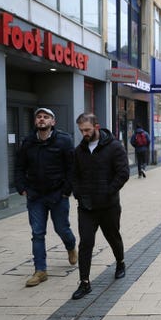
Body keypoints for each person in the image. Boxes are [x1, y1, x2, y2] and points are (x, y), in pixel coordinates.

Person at [15, 108, 77, 287]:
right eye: (39, 117)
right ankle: (40, 270)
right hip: (35, 195)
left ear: (53, 122)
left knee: (61, 228)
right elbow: (19, 166)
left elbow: (72, 167)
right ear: (35, 122)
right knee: (37, 233)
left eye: (46, 117)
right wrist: (21, 188)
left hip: (58, 194)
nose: (42, 119)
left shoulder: (64, 140)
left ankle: (71, 246)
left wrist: (67, 190)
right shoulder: (28, 142)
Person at [71, 113, 130, 300]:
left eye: (87, 130)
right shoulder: (79, 151)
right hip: (86, 206)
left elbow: (123, 173)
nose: (84, 134)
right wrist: (78, 192)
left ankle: (120, 262)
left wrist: (108, 191)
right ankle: (84, 283)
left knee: (113, 237)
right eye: (81, 131)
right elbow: (74, 175)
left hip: (108, 206)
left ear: (97, 126)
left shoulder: (114, 147)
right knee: (86, 243)